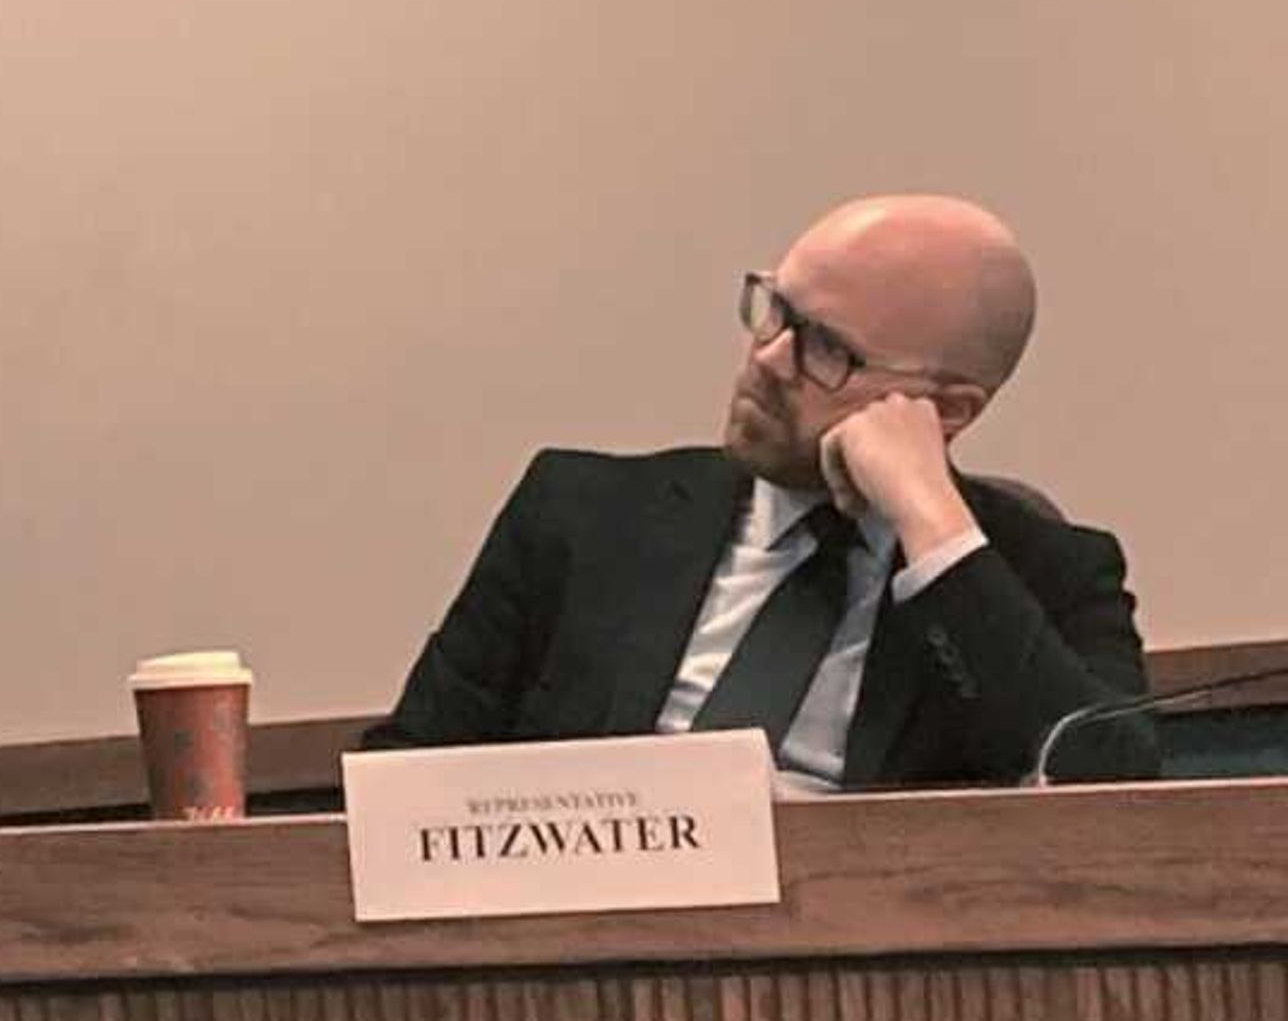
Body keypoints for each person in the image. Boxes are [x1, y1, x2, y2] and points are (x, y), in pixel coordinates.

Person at [370, 195, 1149, 787]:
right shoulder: (581, 515)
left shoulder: (1047, 573)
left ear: (945, 410)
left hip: (861, 981)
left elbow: (1113, 795)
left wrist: (932, 519)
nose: (769, 359)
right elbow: (396, 781)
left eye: (827, 349)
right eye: (777, 310)